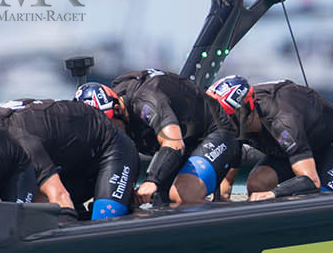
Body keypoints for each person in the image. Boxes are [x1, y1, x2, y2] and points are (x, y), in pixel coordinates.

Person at [75, 69, 240, 205]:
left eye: (108, 126)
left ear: (118, 109)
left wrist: (151, 180)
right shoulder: (118, 112)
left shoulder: (147, 102)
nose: (106, 133)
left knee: (181, 195)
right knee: (161, 204)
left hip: (215, 132)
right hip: (185, 141)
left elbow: (174, 144)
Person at [0, 98, 136, 220]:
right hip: (68, 153)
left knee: (105, 219)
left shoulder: (22, 144)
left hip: (114, 146)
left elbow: (60, 196)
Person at [208, 75, 333, 201]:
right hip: (290, 153)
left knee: (318, 197)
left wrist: (273, 193)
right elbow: (224, 189)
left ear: (246, 113)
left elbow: (311, 181)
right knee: (258, 185)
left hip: (329, 149)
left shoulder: (282, 122)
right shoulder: (233, 125)